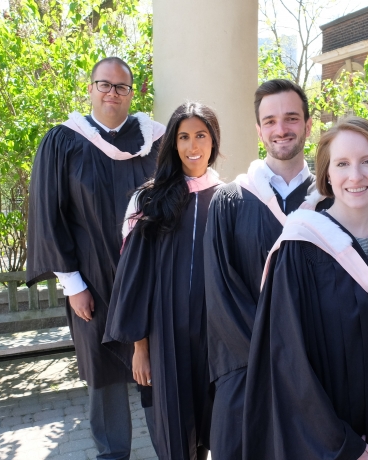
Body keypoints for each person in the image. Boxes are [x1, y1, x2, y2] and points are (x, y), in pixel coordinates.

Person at [241, 116, 368, 460]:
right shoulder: (299, 249)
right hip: (321, 448)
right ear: (327, 175)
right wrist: (343, 445)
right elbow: (288, 360)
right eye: (342, 164)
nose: (356, 175)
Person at [26, 57, 165, 460]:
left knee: (155, 368)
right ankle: (112, 453)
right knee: (103, 372)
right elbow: (49, 215)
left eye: (121, 87)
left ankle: (168, 446)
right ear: (90, 88)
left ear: (132, 93)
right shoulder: (64, 141)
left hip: (147, 280)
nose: (112, 93)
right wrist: (72, 285)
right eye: (104, 85)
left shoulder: (154, 141)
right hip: (92, 282)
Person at [204, 79, 331, 459]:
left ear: (309, 125)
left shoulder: (332, 202)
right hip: (247, 373)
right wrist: (276, 360)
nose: (281, 129)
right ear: (259, 130)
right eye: (271, 120)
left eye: (292, 118)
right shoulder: (229, 201)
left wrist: (303, 366)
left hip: (319, 376)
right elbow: (221, 294)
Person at [103, 102, 222, 460]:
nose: (192, 146)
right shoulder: (149, 200)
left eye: (201, 135)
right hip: (164, 338)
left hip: (213, 340)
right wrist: (140, 348)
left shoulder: (230, 198)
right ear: (172, 144)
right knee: (172, 441)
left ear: (214, 140)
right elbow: (134, 281)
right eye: (183, 137)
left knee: (208, 433)